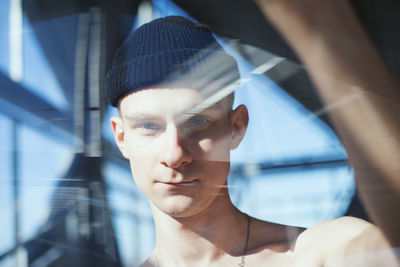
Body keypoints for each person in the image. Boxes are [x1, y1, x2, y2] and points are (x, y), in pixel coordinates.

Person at [105, 14, 399, 267]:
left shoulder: (313, 255)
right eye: (148, 126)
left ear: (236, 127)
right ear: (121, 137)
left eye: (197, 123)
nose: (174, 153)